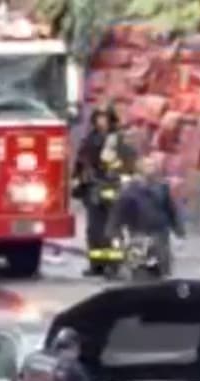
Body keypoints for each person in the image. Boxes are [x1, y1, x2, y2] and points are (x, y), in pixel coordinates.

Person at [105, 154, 183, 278]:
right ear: (140, 169)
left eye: (153, 165)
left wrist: (179, 231)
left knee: (162, 273)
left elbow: (171, 210)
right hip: (139, 236)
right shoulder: (130, 190)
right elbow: (117, 214)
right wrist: (114, 235)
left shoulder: (162, 188)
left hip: (160, 236)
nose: (152, 167)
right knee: (141, 271)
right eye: (148, 165)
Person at [73, 106, 128, 276]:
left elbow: (126, 163)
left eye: (104, 118)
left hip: (112, 188)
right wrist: (78, 179)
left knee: (112, 229)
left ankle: (114, 265)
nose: (101, 121)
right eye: (98, 118)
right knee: (94, 229)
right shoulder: (90, 139)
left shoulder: (118, 140)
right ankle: (96, 264)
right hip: (93, 189)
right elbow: (80, 162)